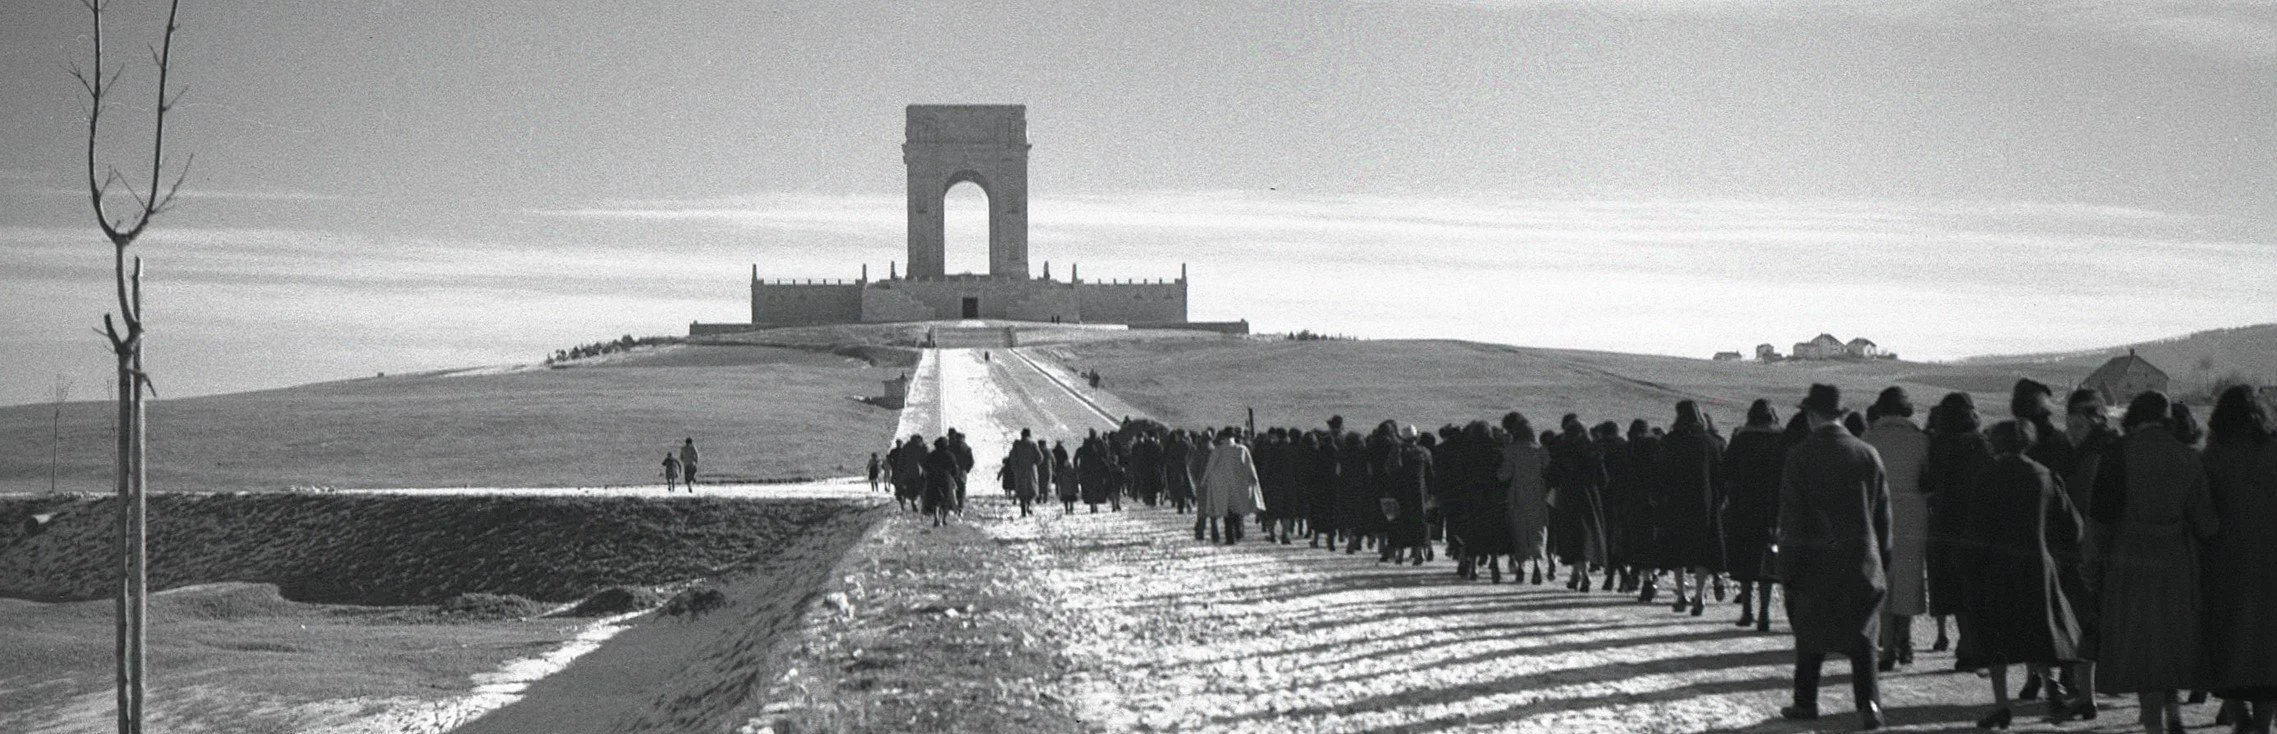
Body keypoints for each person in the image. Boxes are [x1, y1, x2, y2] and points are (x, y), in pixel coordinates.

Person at [2087, 391, 2219, 734]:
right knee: (2171, 641)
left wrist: (2092, 566)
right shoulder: (2187, 457)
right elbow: (2207, 524)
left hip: (2128, 560)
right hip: (2176, 560)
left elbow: (2099, 518)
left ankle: (2153, 726)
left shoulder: (2118, 453)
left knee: (2141, 646)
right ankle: (2174, 714)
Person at [1956, 419, 2088, 730]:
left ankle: (2001, 705)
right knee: (2040, 631)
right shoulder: (2044, 475)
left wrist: (1967, 564)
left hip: (1996, 566)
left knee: (1996, 636)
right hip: (2038, 565)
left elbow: (1977, 527)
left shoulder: (1987, 476)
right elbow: (2074, 528)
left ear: (1996, 444)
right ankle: (2051, 688)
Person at [1777, 384, 1890, 730]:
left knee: (1810, 633)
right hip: (1861, 559)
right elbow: (1882, 518)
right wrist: (1882, 562)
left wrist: (1789, 570)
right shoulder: (1867, 454)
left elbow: (1792, 519)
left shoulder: (1800, 455)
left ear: (1811, 416)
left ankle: (1805, 702)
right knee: (1864, 638)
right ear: (1841, 416)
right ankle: (1869, 705)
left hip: (1814, 561)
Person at [2202, 385, 2277, 734]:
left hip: (2223, 562)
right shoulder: (2273, 451)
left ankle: (2239, 715)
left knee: (2225, 644)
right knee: (2268, 648)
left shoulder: (2211, 457)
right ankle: (2261, 724)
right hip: (2270, 563)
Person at [1861, 387, 1930, 670]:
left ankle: (1887, 647)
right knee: (1910, 581)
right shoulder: (1921, 440)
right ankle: (1907, 641)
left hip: (1879, 518)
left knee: (1884, 582)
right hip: (1914, 517)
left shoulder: (1868, 439)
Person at [1923, 393, 1994, 659]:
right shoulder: (1981, 444)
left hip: (1943, 522)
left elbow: (1928, 481)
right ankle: (1973, 643)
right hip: (1974, 522)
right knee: (1974, 585)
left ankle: (1965, 642)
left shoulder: (1938, 444)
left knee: (1951, 585)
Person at [1721, 399, 1785, 632]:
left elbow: (1725, 470)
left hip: (1743, 507)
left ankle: (1747, 610)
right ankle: (1764, 613)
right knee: (1767, 562)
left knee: (1746, 561)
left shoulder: (1741, 439)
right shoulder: (1781, 439)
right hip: (1771, 507)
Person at [1654, 401, 1724, 613]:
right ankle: (1700, 595)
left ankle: (1682, 595)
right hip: (1704, 503)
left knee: (1678, 551)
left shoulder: (1670, 442)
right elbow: (1720, 476)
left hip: (1676, 502)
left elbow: (1661, 473)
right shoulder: (1710, 442)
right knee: (1702, 550)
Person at [1500, 413, 1553, 584]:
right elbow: (1548, 470)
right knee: (1537, 530)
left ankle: (1521, 567)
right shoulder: (1540, 450)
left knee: (1519, 531)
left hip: (1517, 495)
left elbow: (1504, 475)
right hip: (1538, 495)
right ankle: (1537, 565)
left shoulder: (1512, 450)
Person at [1198, 429, 1264, 545]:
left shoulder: (1217, 450)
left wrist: (1204, 481)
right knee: (1238, 508)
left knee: (1227, 511)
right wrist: (1254, 478)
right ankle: (1239, 531)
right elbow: (1250, 466)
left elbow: (1210, 468)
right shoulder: (1242, 449)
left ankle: (1230, 537)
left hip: (1222, 486)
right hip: (1239, 484)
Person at [921, 436, 960, 527]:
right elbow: (954, 468)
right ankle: (944, 519)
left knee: (935, 499)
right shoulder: (950, 455)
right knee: (946, 499)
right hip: (946, 478)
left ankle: (936, 517)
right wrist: (952, 476)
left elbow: (925, 466)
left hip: (933, 478)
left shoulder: (931, 455)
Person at [1006, 429, 1044, 518]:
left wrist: (1015, 468)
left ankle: (1023, 511)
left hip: (1020, 471)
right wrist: (1034, 463)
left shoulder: (1017, 445)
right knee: (1031, 490)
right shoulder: (1033, 444)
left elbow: (1012, 458)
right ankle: (1029, 505)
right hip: (1031, 471)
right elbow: (1040, 458)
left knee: (1021, 491)